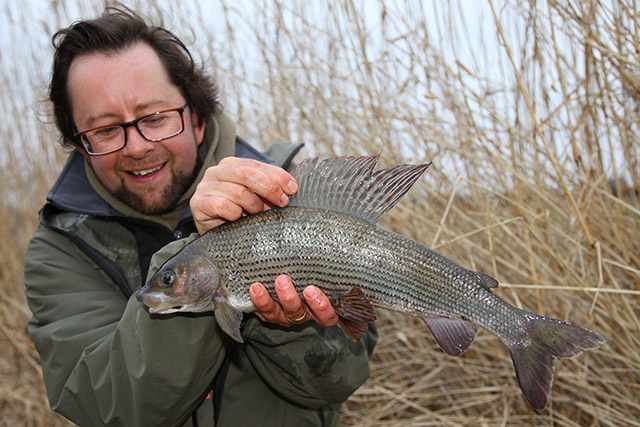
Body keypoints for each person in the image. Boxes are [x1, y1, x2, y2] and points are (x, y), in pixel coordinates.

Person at [24, 6, 377, 426]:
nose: (136, 146)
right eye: (105, 129)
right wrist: (202, 249)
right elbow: (110, 409)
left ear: (196, 118)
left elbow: (341, 380)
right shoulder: (59, 250)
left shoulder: (291, 195)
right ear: (81, 144)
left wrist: (287, 322)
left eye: (154, 118)